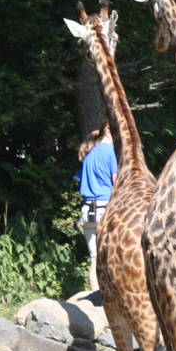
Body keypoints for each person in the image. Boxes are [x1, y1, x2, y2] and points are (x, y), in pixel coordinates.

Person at [74, 122, 118, 289]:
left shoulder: (89, 155)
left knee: (94, 258)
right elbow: (116, 182)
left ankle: (95, 295)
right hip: (105, 209)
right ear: (110, 133)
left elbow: (80, 179)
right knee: (111, 256)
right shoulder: (110, 152)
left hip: (87, 211)